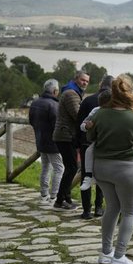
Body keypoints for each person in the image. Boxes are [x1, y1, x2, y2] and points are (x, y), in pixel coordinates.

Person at [87, 74, 133, 264]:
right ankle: (119, 256)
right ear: (129, 92)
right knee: (130, 212)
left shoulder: (99, 114)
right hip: (127, 169)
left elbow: (91, 136)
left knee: (111, 207)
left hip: (102, 167)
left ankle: (105, 253)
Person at [80, 90, 133, 194]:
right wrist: (86, 126)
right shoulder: (97, 111)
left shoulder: (113, 111)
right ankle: (88, 175)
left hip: (105, 152)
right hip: (101, 141)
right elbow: (83, 125)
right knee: (88, 151)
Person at [52, 70, 90, 211]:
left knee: (71, 167)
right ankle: (60, 200)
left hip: (65, 135)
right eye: (82, 80)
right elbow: (77, 114)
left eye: (87, 81)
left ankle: (65, 199)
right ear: (76, 79)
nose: (85, 83)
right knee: (72, 168)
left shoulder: (72, 91)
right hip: (65, 135)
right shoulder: (71, 94)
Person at [77, 75, 112, 219]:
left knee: (86, 175)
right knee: (102, 177)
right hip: (106, 146)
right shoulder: (114, 104)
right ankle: (98, 207)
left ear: (100, 85)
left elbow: (79, 123)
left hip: (87, 144)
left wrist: (79, 143)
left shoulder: (87, 100)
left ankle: (86, 210)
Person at [28, 79, 64, 206]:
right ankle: (54, 196)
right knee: (59, 169)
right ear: (55, 91)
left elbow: (31, 121)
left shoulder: (35, 103)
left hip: (40, 140)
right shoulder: (53, 105)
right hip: (53, 142)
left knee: (45, 167)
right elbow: (57, 124)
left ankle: (44, 194)